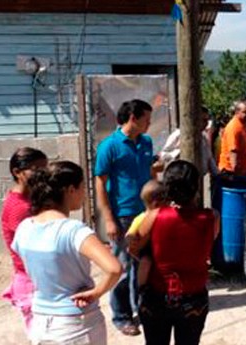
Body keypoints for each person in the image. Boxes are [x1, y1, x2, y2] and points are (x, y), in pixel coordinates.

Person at [12, 161, 122, 345]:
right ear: (71, 190)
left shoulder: (24, 228)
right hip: (76, 323)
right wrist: (96, 292)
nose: (84, 194)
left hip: (39, 320)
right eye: (82, 188)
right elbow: (114, 268)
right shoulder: (73, 230)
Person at [131, 160, 220, 345]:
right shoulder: (212, 217)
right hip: (194, 299)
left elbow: (133, 247)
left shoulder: (156, 216)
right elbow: (205, 244)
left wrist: (147, 258)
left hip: (157, 296)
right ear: (196, 187)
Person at [94, 99, 156, 336]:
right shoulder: (109, 146)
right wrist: (108, 218)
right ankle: (121, 316)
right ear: (133, 118)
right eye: (147, 119)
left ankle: (140, 307)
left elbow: (150, 172)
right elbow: (101, 183)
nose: (149, 124)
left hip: (146, 213)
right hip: (122, 216)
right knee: (122, 266)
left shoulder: (146, 142)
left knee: (144, 263)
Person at [0, 147, 48, 336]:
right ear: (17, 173)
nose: (42, 174)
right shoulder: (20, 207)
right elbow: (33, 248)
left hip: (35, 276)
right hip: (31, 279)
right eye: (36, 169)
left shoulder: (28, 198)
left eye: (44, 168)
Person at [125, 180, 167, 288]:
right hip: (147, 247)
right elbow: (130, 233)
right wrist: (131, 239)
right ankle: (142, 287)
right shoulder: (141, 218)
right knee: (145, 262)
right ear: (156, 203)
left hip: (159, 246)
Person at [159, 106, 218, 176]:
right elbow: (163, 155)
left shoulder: (203, 137)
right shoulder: (178, 134)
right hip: (181, 178)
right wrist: (177, 153)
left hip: (198, 178)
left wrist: (217, 174)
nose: (207, 123)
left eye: (207, 120)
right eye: (204, 120)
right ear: (195, 119)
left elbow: (209, 158)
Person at [218, 101, 246, 177]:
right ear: (237, 112)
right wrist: (236, 172)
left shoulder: (243, 126)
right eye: (245, 112)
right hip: (231, 172)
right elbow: (233, 151)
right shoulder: (234, 127)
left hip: (241, 172)